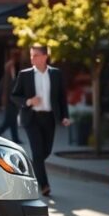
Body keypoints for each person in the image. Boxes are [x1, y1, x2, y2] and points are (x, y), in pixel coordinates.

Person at [11, 44, 71, 197]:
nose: (32, 58)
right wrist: (29, 101)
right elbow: (14, 96)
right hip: (32, 118)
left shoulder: (56, 74)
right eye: (31, 55)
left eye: (35, 55)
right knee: (38, 153)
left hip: (49, 118)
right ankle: (44, 186)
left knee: (46, 151)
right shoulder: (25, 75)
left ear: (45, 56)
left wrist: (65, 116)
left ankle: (28, 167)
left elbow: (61, 98)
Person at [0, 51, 21, 143]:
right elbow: (2, 89)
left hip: (13, 100)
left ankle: (15, 138)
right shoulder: (7, 74)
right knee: (8, 121)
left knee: (12, 121)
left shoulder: (12, 74)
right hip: (9, 100)